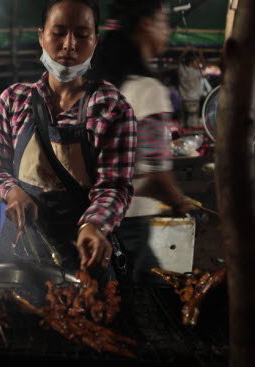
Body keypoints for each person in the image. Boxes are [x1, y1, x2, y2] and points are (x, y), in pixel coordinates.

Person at [0, 0, 136, 274]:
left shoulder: (111, 107)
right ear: (41, 36)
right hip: (20, 251)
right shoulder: (14, 100)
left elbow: (115, 186)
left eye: (82, 34)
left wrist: (94, 224)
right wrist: (13, 192)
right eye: (59, 32)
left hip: (84, 254)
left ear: (95, 40)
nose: (69, 44)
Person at [92, 0, 192, 283]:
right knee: (152, 296)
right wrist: (178, 201)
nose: (167, 31)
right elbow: (157, 170)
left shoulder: (103, 84)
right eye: (164, 22)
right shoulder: (148, 90)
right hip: (130, 223)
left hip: (97, 217)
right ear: (147, 24)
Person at [178, 48, 206, 128]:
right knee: (192, 124)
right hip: (194, 100)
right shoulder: (196, 72)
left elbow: (179, 61)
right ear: (191, 63)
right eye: (197, 62)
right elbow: (204, 67)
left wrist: (185, 50)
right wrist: (201, 55)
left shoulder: (182, 70)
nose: (198, 63)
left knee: (182, 122)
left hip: (183, 100)